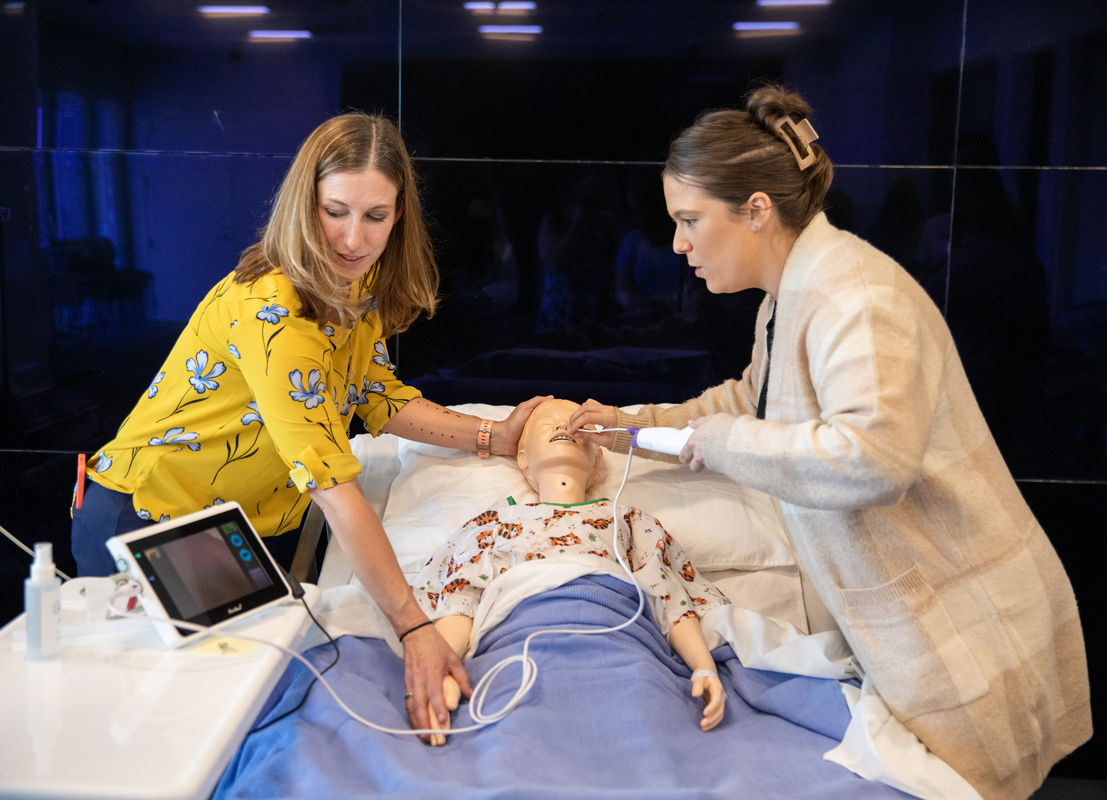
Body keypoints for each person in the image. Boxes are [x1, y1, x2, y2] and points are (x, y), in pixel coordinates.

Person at [567, 86, 1090, 800]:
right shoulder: (791, 295)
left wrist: (717, 440)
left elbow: (872, 457)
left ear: (756, 210)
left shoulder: (854, 298)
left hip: (966, 623)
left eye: (689, 220)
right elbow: (749, 402)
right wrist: (633, 428)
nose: (677, 244)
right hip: (917, 620)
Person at [71, 112, 550, 739]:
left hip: (233, 526)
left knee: (231, 713)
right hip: (151, 518)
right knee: (159, 728)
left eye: (375, 217)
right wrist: (414, 630)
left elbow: (377, 395)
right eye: (336, 212)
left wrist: (494, 437)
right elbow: (331, 481)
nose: (353, 239)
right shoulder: (276, 314)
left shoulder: (356, 281)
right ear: (305, 202)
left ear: (400, 213)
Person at [411, 398, 728, 745]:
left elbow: (672, 599)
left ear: (598, 460)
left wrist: (703, 667)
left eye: (578, 424)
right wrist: (441, 667)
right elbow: (460, 598)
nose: (564, 426)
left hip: (622, 645)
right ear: (522, 459)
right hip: (519, 645)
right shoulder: (494, 523)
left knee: (644, 729)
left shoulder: (630, 522)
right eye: (548, 423)